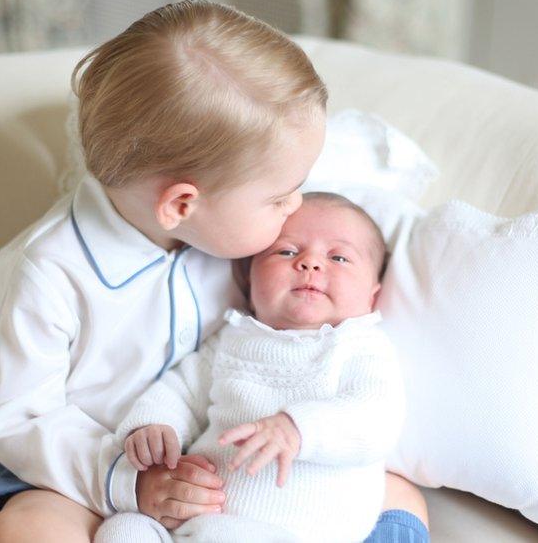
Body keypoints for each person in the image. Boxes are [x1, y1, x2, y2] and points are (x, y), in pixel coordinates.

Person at [0, 0, 428, 543]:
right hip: (87, 478)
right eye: (280, 198)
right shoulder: (51, 271)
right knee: (25, 529)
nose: (295, 205)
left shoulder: (230, 221)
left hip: (234, 475)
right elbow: (13, 419)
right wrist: (127, 482)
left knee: (400, 495)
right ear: (182, 206)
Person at [95, 193, 407, 542]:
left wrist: (298, 429)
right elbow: (182, 390)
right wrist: (154, 425)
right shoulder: (233, 338)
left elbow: (378, 419)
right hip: (193, 521)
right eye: (287, 251)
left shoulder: (360, 346)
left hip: (291, 532)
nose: (310, 264)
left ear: (373, 297)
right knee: (123, 528)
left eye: (339, 257)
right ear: (249, 278)